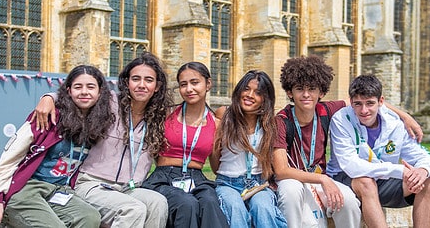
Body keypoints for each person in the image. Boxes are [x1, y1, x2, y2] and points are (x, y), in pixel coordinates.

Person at [272, 55, 424, 228]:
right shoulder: (281, 121)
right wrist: (323, 180)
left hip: (320, 179)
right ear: (289, 92)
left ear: (321, 92)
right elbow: (281, 171)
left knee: (349, 202)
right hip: (293, 180)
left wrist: (404, 116)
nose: (306, 94)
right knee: (290, 191)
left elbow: (365, 99)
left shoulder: (325, 110)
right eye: (299, 89)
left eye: (312, 89)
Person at [33, 52, 171, 228]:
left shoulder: (158, 116)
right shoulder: (109, 103)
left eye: (149, 80)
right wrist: (48, 98)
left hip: (129, 188)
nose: (142, 85)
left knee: (158, 203)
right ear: (127, 82)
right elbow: (80, 96)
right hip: (92, 184)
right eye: (136, 79)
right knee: (133, 209)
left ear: (157, 86)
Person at [0, 65, 113, 227]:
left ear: (100, 92)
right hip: (25, 188)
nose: (84, 91)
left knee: (89, 217)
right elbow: (11, 155)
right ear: (69, 91)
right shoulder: (49, 116)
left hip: (59, 191)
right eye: (78, 87)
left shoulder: (98, 122)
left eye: (90, 87)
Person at [326, 74, 430, 228]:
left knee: (428, 181)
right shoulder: (341, 120)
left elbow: (422, 156)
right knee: (366, 181)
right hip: (345, 179)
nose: (364, 110)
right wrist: (400, 170)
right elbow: (351, 166)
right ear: (351, 102)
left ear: (381, 102)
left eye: (370, 103)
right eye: (358, 104)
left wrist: (422, 171)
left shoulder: (395, 124)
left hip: (382, 180)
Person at [142, 62, 228, 228]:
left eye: (195, 82)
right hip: (164, 177)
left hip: (196, 177)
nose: (189, 89)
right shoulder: (166, 114)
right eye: (183, 84)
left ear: (208, 84)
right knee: (186, 203)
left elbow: (216, 166)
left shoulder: (216, 124)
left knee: (210, 201)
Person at [210, 70, 287, 228]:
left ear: (265, 99)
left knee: (263, 208)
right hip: (227, 183)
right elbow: (215, 159)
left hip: (258, 184)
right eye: (246, 89)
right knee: (235, 209)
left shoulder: (270, 123)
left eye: (257, 92)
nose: (249, 95)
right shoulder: (224, 114)